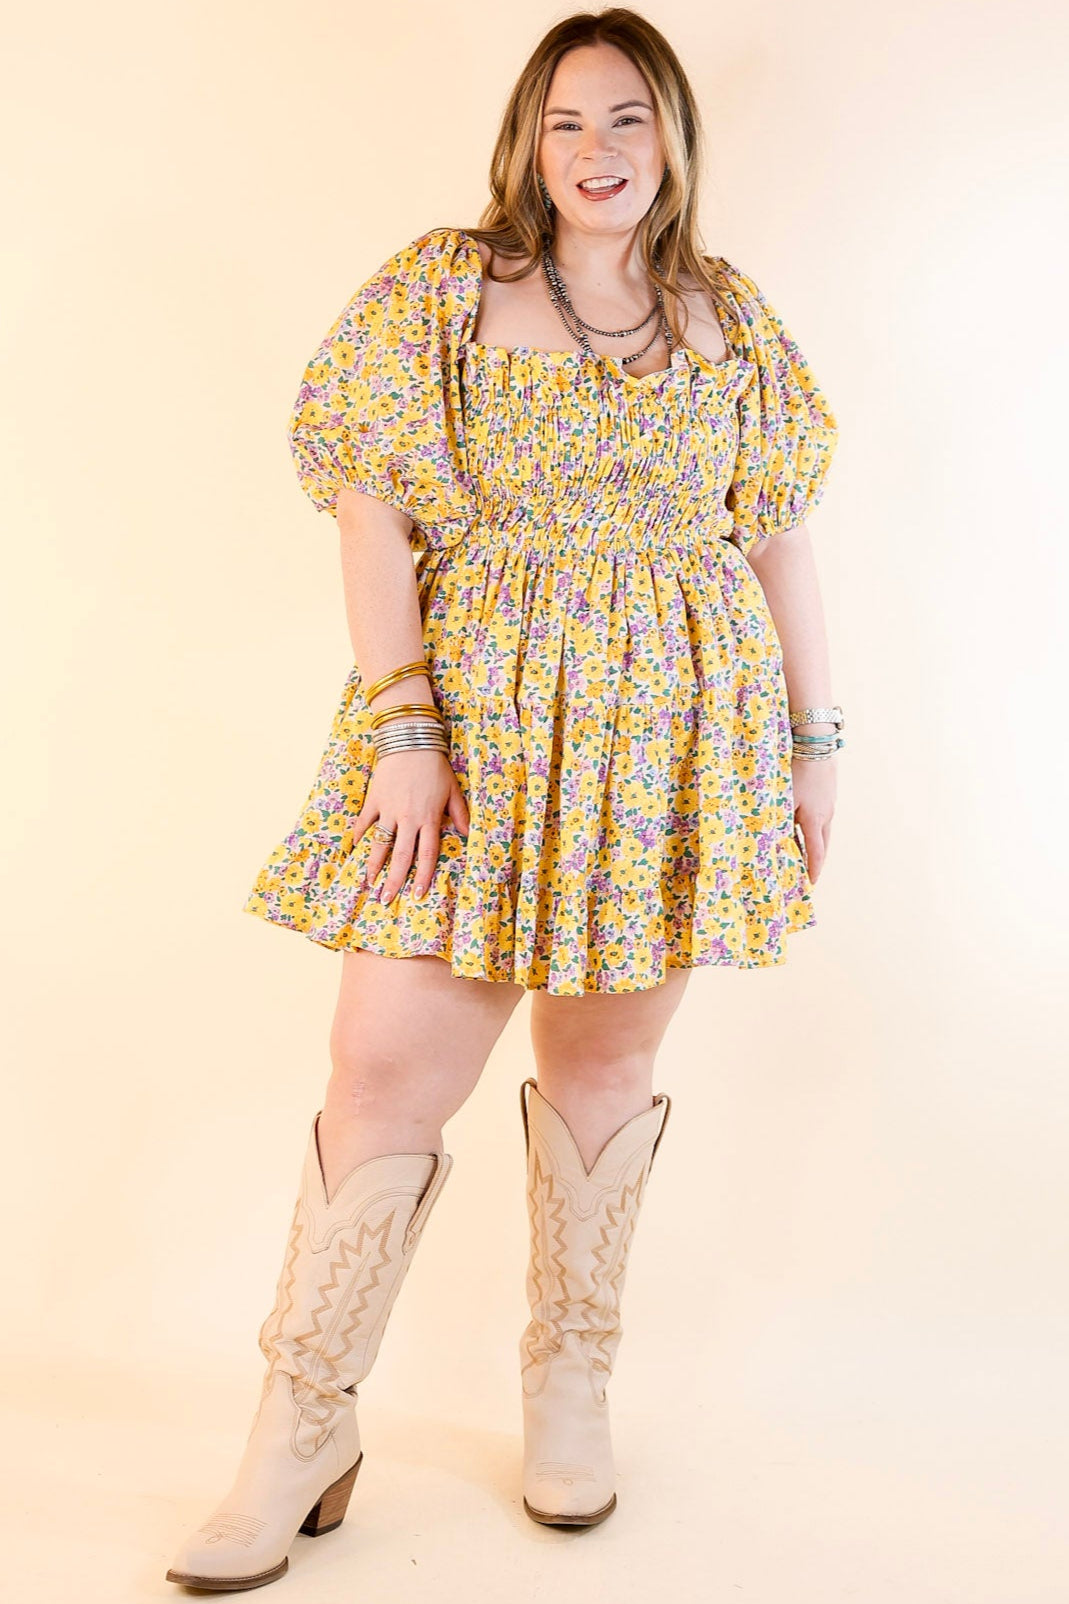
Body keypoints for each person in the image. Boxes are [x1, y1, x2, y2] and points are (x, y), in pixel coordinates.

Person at [166, 5, 843, 1590]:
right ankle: (299, 1425)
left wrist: (813, 746)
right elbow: (370, 510)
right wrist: (405, 725)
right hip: (471, 730)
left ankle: (569, 1388)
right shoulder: (442, 287)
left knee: (602, 1061)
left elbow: (777, 539)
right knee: (382, 1061)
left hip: (671, 740)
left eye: (626, 118)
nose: (596, 151)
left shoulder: (729, 317)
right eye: (566, 122)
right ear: (526, 144)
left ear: (672, 137)